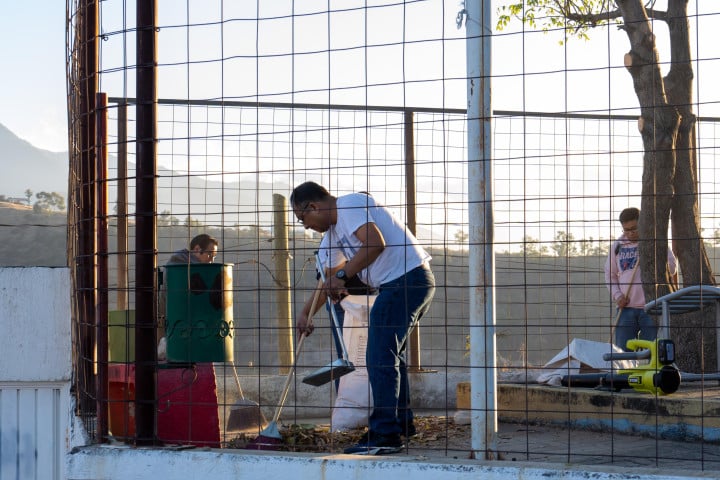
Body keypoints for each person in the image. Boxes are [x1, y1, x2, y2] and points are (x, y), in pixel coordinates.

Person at [291, 181, 435, 454]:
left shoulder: (349, 204)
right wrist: (306, 313)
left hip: (406, 280)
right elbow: (326, 281)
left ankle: (384, 435)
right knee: (390, 356)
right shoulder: (332, 237)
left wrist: (343, 276)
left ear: (313, 206)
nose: (306, 226)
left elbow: (374, 244)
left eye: (303, 218)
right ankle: (401, 425)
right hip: (395, 286)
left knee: (378, 356)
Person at [604, 208, 677, 351]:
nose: (631, 233)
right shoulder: (617, 246)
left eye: (634, 228)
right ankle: (625, 374)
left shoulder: (654, 241)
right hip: (625, 307)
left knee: (651, 352)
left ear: (642, 223)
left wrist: (654, 260)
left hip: (651, 307)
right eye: (626, 230)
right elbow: (609, 274)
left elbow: (673, 267)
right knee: (622, 353)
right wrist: (617, 296)